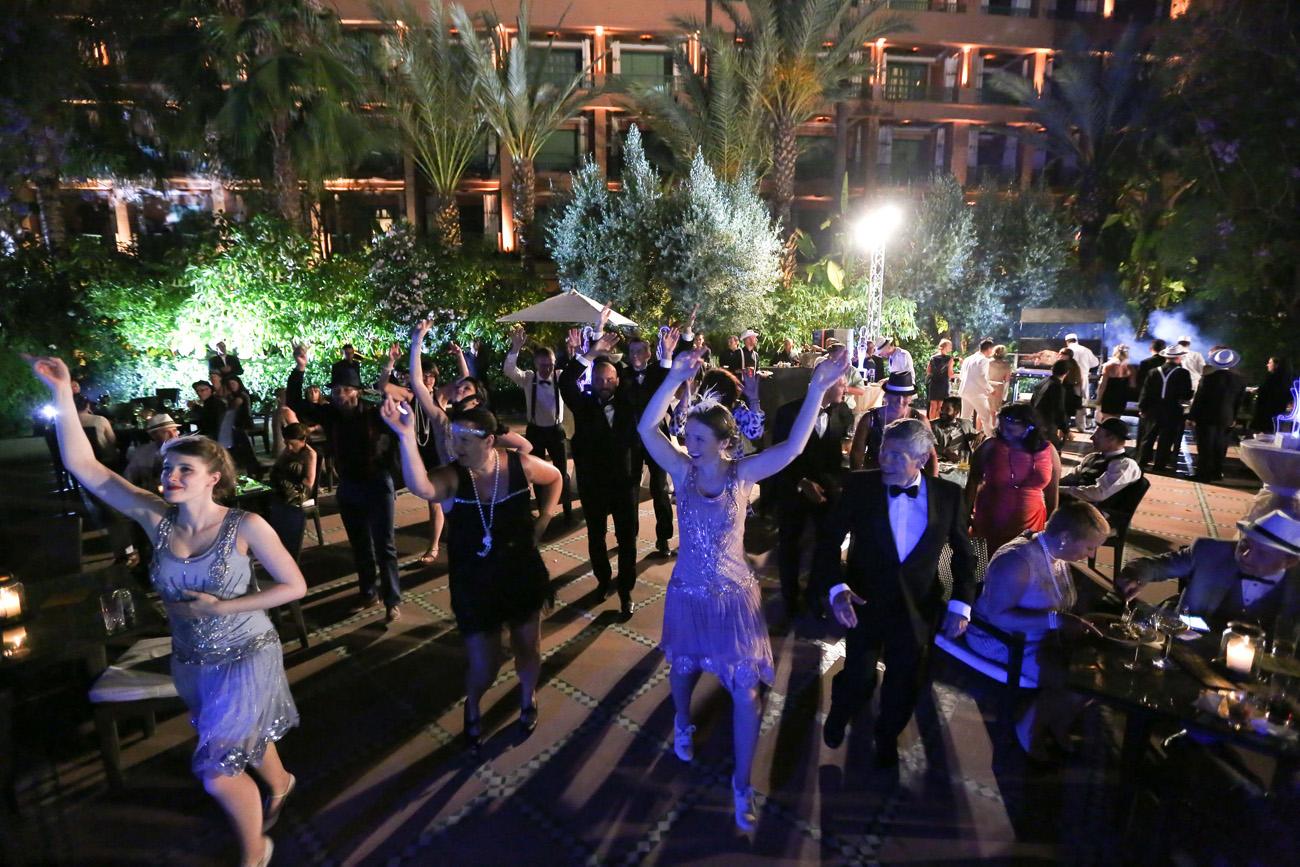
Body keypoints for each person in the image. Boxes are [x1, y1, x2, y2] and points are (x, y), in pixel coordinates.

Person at [26, 353, 305, 867]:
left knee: (218, 770)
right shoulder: (156, 519)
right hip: (190, 659)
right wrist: (61, 393)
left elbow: (294, 586)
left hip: (246, 651)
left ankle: (254, 853)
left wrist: (225, 606)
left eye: (183, 470)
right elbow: (82, 465)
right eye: (167, 468)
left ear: (212, 478)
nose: (169, 477)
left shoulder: (245, 525)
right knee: (234, 735)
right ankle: (282, 780)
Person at [637, 342, 851, 830]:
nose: (688, 443)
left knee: (746, 694)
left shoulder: (742, 475)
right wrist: (671, 380)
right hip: (688, 591)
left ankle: (741, 784)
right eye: (686, 435)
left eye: (696, 436)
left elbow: (793, 448)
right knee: (684, 665)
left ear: (721, 440)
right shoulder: (680, 471)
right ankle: (682, 721)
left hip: (735, 596)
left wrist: (817, 388)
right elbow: (645, 429)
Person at [381, 400, 561, 749]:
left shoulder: (518, 464)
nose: (454, 446)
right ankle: (474, 703)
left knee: (529, 647)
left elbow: (554, 477)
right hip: (474, 581)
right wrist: (405, 436)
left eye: (464, 439)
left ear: (489, 441)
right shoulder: (451, 477)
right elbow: (421, 487)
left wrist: (543, 520)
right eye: (453, 438)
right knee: (486, 662)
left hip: (520, 570)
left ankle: (527, 698)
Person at [814, 418, 977, 768]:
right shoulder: (859, 487)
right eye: (883, 452)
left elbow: (966, 555)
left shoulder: (948, 496)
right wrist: (837, 588)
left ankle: (886, 736)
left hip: (917, 609)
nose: (884, 461)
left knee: (904, 681)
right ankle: (841, 710)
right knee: (858, 675)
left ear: (921, 459)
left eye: (896, 456)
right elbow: (827, 542)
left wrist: (961, 604)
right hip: (863, 603)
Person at [966, 501, 1109, 761]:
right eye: (1090, 547)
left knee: (1102, 668)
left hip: (1038, 636)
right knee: (1078, 680)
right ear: (1065, 537)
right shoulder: (1018, 562)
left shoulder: (1055, 552)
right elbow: (999, 617)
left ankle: (1056, 721)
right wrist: (1057, 622)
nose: (1091, 555)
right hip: (1001, 639)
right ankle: (1029, 728)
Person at [287, 344, 403, 622]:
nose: (340, 395)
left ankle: (392, 600)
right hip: (349, 487)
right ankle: (368, 593)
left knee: (384, 545)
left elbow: (401, 411)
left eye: (346, 390)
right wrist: (300, 368)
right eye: (336, 390)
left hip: (377, 484)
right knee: (360, 544)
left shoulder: (375, 413)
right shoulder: (329, 414)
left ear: (358, 392)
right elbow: (295, 401)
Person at [561, 329, 642, 618]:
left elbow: (650, 382)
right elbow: (565, 380)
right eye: (599, 380)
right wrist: (590, 354)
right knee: (596, 536)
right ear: (591, 381)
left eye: (609, 380)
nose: (604, 385)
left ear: (618, 381)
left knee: (628, 540)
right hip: (592, 484)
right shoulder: (582, 404)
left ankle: (626, 590)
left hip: (624, 484)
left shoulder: (628, 404)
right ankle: (603, 580)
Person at [1118, 509, 1300, 634]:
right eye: (1244, 545)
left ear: (1290, 561)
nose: (1246, 556)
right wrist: (1136, 577)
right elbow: (1154, 566)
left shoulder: (1296, 584)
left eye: (1262, 554)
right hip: (1188, 639)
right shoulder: (1210, 551)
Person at [772, 361, 853, 620]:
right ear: (826, 384)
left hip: (828, 492)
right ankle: (789, 601)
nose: (846, 388)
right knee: (789, 546)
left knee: (827, 545)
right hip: (793, 488)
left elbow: (838, 456)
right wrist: (801, 482)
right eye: (841, 383)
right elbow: (776, 456)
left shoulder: (843, 413)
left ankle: (816, 595)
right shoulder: (788, 413)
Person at [967, 402, 1061, 556]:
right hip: (991, 519)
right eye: (1001, 427)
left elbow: (1052, 490)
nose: (1003, 432)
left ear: (1029, 426)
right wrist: (965, 515)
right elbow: (973, 480)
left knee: (1022, 567)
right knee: (986, 567)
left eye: (1010, 428)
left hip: (1032, 521)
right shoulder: (991, 446)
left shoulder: (1048, 450)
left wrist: (1051, 522)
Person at [504, 325, 573, 524]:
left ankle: (566, 507)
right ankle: (543, 508)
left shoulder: (560, 377)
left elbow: (577, 373)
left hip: (555, 430)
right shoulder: (529, 378)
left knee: (562, 471)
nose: (547, 369)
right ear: (535, 364)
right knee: (536, 470)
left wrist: (575, 351)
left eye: (550, 365)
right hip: (534, 431)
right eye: (543, 365)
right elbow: (509, 370)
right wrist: (515, 348)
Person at [620, 331, 674, 556]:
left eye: (640, 351)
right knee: (630, 489)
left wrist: (669, 351)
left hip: (656, 438)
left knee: (660, 489)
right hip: (630, 440)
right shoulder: (621, 375)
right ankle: (629, 536)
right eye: (632, 352)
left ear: (649, 353)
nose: (635, 355)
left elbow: (669, 371)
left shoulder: (657, 372)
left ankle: (663, 538)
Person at [850, 373, 935, 472]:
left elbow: (930, 456)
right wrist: (858, 481)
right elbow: (856, 454)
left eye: (905, 396)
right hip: (875, 479)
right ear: (886, 395)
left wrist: (932, 484)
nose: (900, 400)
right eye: (896, 395)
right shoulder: (869, 419)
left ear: (910, 398)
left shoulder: (920, 420)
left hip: (907, 481)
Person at [1189, 348, 1248, 482]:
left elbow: (1200, 399)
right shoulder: (1239, 380)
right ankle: (1217, 472)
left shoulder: (1209, 378)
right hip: (1227, 417)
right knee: (1221, 445)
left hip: (1207, 416)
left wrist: (1192, 417)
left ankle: (1203, 474)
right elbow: (1239, 401)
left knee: (1205, 445)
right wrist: (1234, 417)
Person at [1136, 344, 1194, 472]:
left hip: (1153, 409)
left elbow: (1145, 392)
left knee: (1148, 436)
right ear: (1179, 358)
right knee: (1166, 438)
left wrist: (1142, 408)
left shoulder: (1153, 372)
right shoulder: (1183, 373)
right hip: (1173, 409)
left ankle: (1142, 462)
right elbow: (1186, 394)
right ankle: (1160, 465)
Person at [1059, 418, 1141, 505]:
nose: (1091, 438)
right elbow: (1071, 478)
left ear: (1112, 439)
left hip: (1095, 513)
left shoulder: (1124, 465)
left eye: (1097, 435)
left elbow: (1098, 493)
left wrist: (1058, 490)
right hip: (1074, 505)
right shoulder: (1091, 457)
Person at [267, 423, 316, 562]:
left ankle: (285, 540)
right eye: (286, 443)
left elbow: (309, 482)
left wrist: (289, 485)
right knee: (266, 496)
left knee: (281, 500)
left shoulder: (310, 454)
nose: (288, 447)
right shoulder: (289, 450)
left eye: (292, 444)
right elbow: (275, 467)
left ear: (303, 440)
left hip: (300, 489)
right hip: (287, 485)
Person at [125, 413, 181, 488]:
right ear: (153, 435)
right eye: (166, 432)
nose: (173, 436)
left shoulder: (188, 452)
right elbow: (127, 478)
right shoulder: (142, 453)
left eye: (174, 430)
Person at [1030, 360, 1072, 450]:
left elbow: (1032, 402)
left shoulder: (1042, 382)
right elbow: (1059, 410)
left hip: (1036, 420)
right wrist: (1066, 430)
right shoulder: (1057, 387)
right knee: (1053, 449)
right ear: (1066, 372)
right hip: (1047, 424)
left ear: (1052, 369)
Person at [957, 339, 996, 433]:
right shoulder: (983, 360)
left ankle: (960, 438)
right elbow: (981, 378)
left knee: (965, 418)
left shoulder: (968, 358)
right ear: (989, 349)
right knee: (986, 418)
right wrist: (991, 389)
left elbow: (961, 376)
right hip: (976, 393)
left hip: (965, 391)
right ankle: (989, 439)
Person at [1249, 356, 1295, 434]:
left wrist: (1256, 391)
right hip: (1277, 412)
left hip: (1265, 412)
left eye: (1270, 363)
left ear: (1276, 365)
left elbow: (1264, 390)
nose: (1267, 365)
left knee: (1261, 432)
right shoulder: (1288, 380)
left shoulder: (1271, 379)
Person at [932, 397, 981, 464]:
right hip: (942, 465)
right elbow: (930, 445)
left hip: (963, 464)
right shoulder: (933, 426)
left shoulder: (965, 424)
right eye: (942, 409)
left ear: (956, 412)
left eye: (947, 409)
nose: (943, 412)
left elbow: (976, 435)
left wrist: (980, 435)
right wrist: (946, 451)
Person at [1095, 344, 1135, 423]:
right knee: (1116, 420)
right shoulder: (1131, 367)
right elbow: (1132, 385)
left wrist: (1098, 399)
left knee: (1106, 421)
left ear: (1115, 353)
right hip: (1121, 397)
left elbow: (1103, 385)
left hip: (1109, 396)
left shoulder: (1108, 366)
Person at [75, 393, 117, 458]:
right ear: (88, 406)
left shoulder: (66, 424)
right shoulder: (100, 420)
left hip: (79, 460)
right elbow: (112, 440)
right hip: (105, 459)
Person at [1058, 347, 1087, 432]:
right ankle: (1065, 431)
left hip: (1065, 390)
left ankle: (1062, 432)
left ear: (1067, 355)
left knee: (1063, 412)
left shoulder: (1065, 365)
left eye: (1061, 354)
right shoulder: (1075, 365)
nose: (1059, 355)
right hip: (1071, 391)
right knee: (1067, 414)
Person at [926, 339, 954, 419]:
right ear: (947, 348)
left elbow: (928, 372)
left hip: (934, 383)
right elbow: (950, 374)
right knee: (941, 406)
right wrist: (960, 375)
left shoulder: (933, 358)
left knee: (933, 406)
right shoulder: (949, 359)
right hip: (943, 384)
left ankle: (931, 424)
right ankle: (938, 425)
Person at [986, 345, 1012, 418]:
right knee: (993, 412)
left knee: (982, 412)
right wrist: (1005, 395)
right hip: (998, 389)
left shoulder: (987, 362)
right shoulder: (1007, 365)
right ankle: (991, 429)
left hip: (986, 386)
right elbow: (1007, 380)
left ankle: (978, 429)